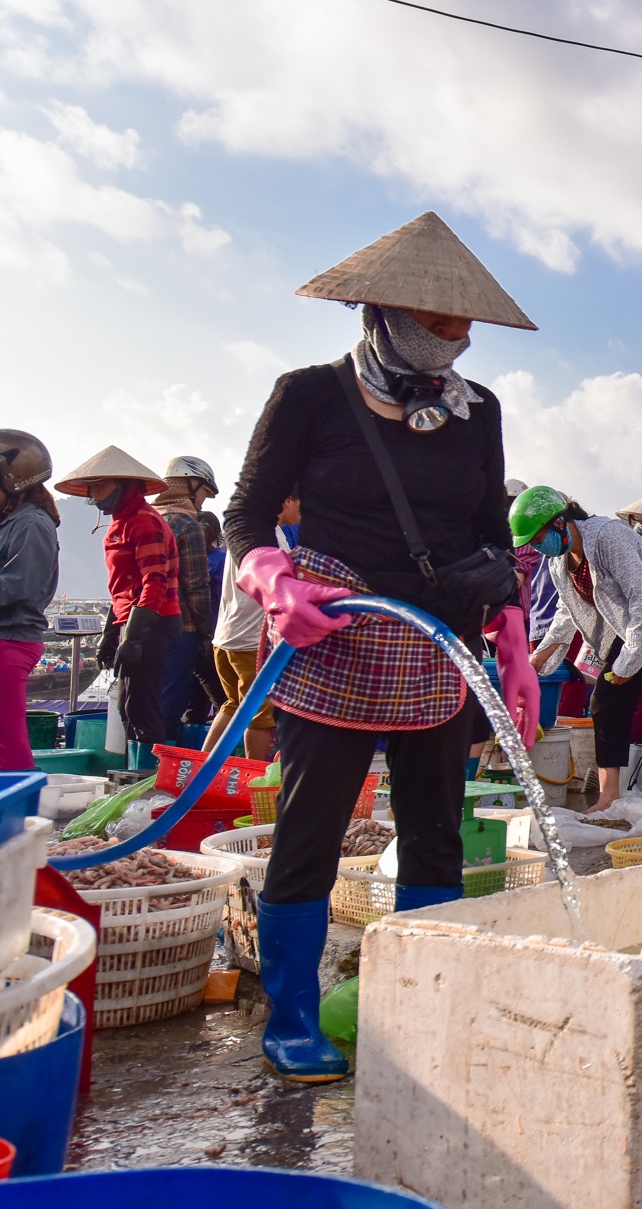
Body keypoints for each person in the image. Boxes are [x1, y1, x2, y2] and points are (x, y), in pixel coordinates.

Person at [222, 212, 537, 1083]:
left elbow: (490, 531)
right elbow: (245, 512)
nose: (458, 334)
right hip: (336, 632)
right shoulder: (309, 395)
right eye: (440, 319)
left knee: (435, 836)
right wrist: (270, 579)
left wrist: (511, 631)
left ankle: (426, 1006)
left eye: (466, 322)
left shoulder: (478, 412)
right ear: (385, 311)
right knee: (310, 832)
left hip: (440, 643)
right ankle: (292, 1016)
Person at [525, 486, 642, 824]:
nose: (536, 545)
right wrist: (541, 654)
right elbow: (567, 610)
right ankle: (608, 798)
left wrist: (629, 662)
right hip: (628, 625)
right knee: (605, 703)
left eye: (537, 537)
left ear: (559, 523)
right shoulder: (559, 559)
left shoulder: (608, 536)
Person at [56, 446, 180, 770]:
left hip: (154, 622)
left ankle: (148, 779)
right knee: (128, 706)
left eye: (99, 486)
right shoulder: (118, 524)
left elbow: (155, 581)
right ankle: (136, 773)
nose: (92, 494)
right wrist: (111, 633)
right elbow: (122, 588)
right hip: (132, 620)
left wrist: (135, 637)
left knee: (142, 706)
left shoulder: (144, 522)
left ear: (123, 485)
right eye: (91, 487)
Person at [0, 431, 58, 771]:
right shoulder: (12, 523)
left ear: (13, 478)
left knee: (6, 741)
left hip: (8, 642)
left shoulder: (30, 524)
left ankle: (24, 801)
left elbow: (20, 586)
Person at [203, 494, 299, 759]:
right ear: (287, 501)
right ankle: (253, 776)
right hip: (252, 642)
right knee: (260, 715)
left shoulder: (243, 531)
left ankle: (200, 769)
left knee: (234, 705)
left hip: (226, 637)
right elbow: (283, 589)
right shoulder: (270, 536)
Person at [154, 456, 220, 740]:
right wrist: (207, 633)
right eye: (204, 492)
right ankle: (160, 758)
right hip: (182, 628)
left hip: (141, 623)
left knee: (145, 700)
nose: (203, 501)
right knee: (172, 700)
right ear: (190, 485)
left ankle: (140, 756)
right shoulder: (187, 525)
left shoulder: (149, 520)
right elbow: (196, 585)